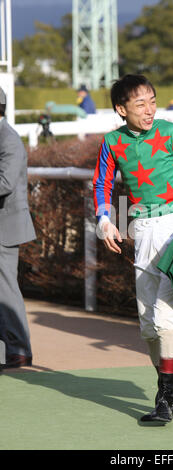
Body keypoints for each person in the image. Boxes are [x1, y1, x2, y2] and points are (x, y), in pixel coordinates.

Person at [93, 74, 173, 423]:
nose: (150, 109)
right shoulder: (111, 142)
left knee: (167, 320)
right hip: (142, 235)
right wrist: (104, 220)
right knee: (148, 328)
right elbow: (102, 184)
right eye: (140, 104)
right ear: (121, 109)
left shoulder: (170, 132)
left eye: (153, 100)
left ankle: (164, 399)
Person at [0, 86, 36, 369]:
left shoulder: (8, 140)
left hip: (6, 227)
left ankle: (19, 349)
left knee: (5, 289)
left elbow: (5, 184)